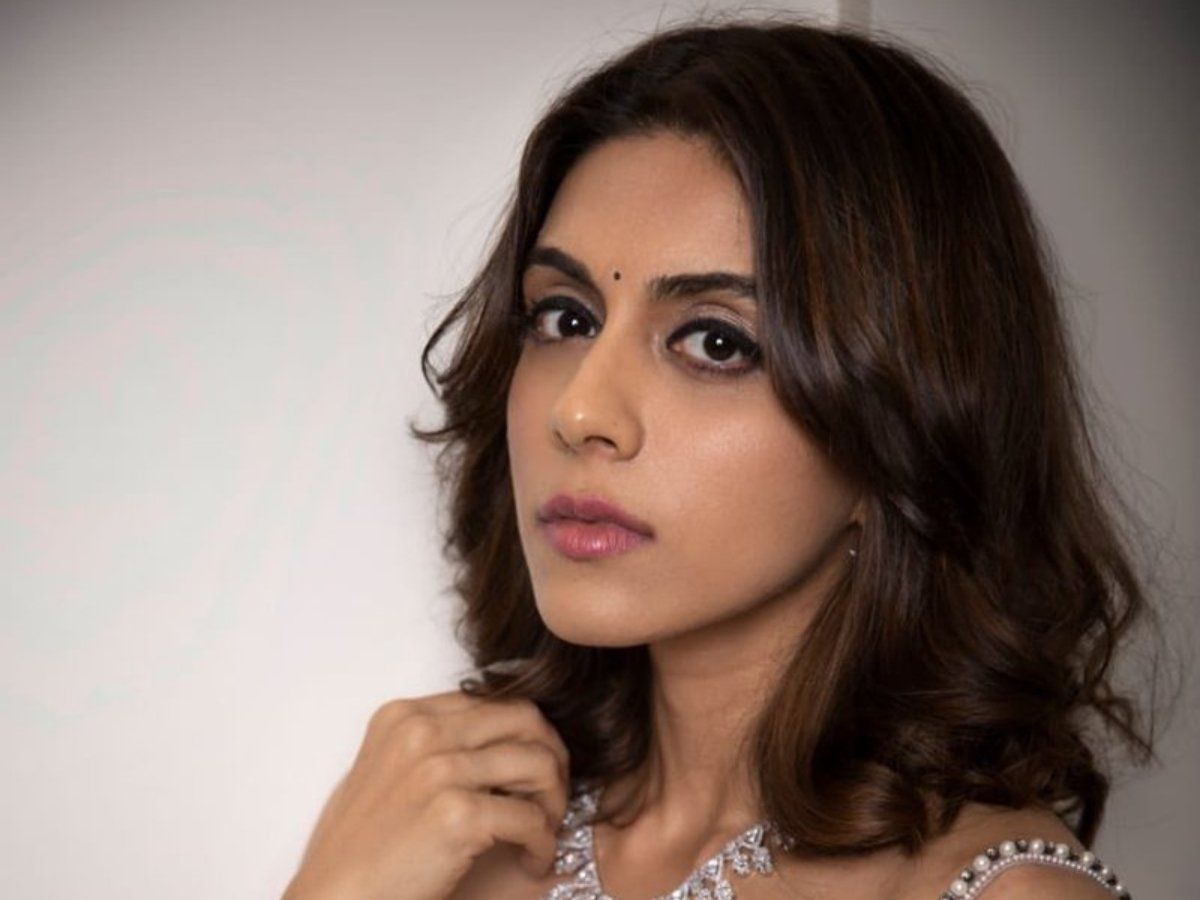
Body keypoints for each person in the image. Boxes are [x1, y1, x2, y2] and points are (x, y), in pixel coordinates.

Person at [282, 15, 1159, 900]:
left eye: (715, 342)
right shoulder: (448, 839)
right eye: (565, 318)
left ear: (901, 426)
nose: (581, 410)